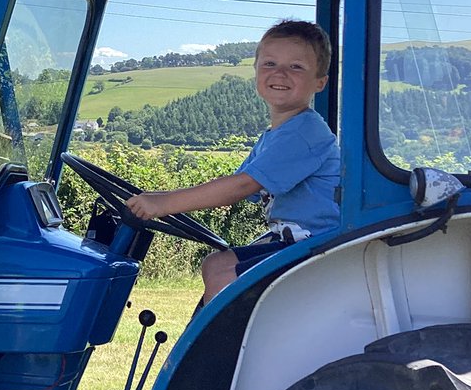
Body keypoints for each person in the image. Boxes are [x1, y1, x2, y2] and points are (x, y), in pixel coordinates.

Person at [126, 20, 340, 304]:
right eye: (270, 63)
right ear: (255, 71)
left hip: (321, 247)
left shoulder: (305, 132)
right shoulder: (276, 135)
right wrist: (159, 196)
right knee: (215, 264)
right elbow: (239, 186)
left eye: (296, 67)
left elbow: (241, 186)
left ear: (320, 82)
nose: (280, 73)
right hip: (293, 242)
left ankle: (227, 347)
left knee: (223, 276)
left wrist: (163, 204)